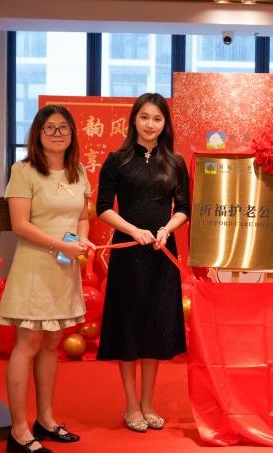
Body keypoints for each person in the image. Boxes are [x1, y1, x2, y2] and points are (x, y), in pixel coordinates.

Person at [0, 105, 93, 453]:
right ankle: (19, 430)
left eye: (63, 127)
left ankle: (46, 420)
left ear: (72, 134)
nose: (57, 133)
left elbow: (82, 216)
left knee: (53, 344)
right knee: (28, 344)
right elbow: (19, 224)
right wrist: (61, 246)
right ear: (37, 134)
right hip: (35, 268)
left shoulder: (77, 171)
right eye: (49, 127)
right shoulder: (23, 170)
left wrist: (81, 241)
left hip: (64, 269)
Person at [96, 93, 190, 433]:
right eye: (145, 117)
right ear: (134, 119)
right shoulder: (117, 160)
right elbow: (103, 207)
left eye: (157, 119)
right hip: (128, 252)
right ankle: (131, 404)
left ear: (165, 124)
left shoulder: (175, 163)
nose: (151, 124)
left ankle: (149, 403)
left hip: (161, 253)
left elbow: (184, 208)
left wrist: (166, 229)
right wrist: (133, 230)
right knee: (128, 327)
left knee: (155, 328)